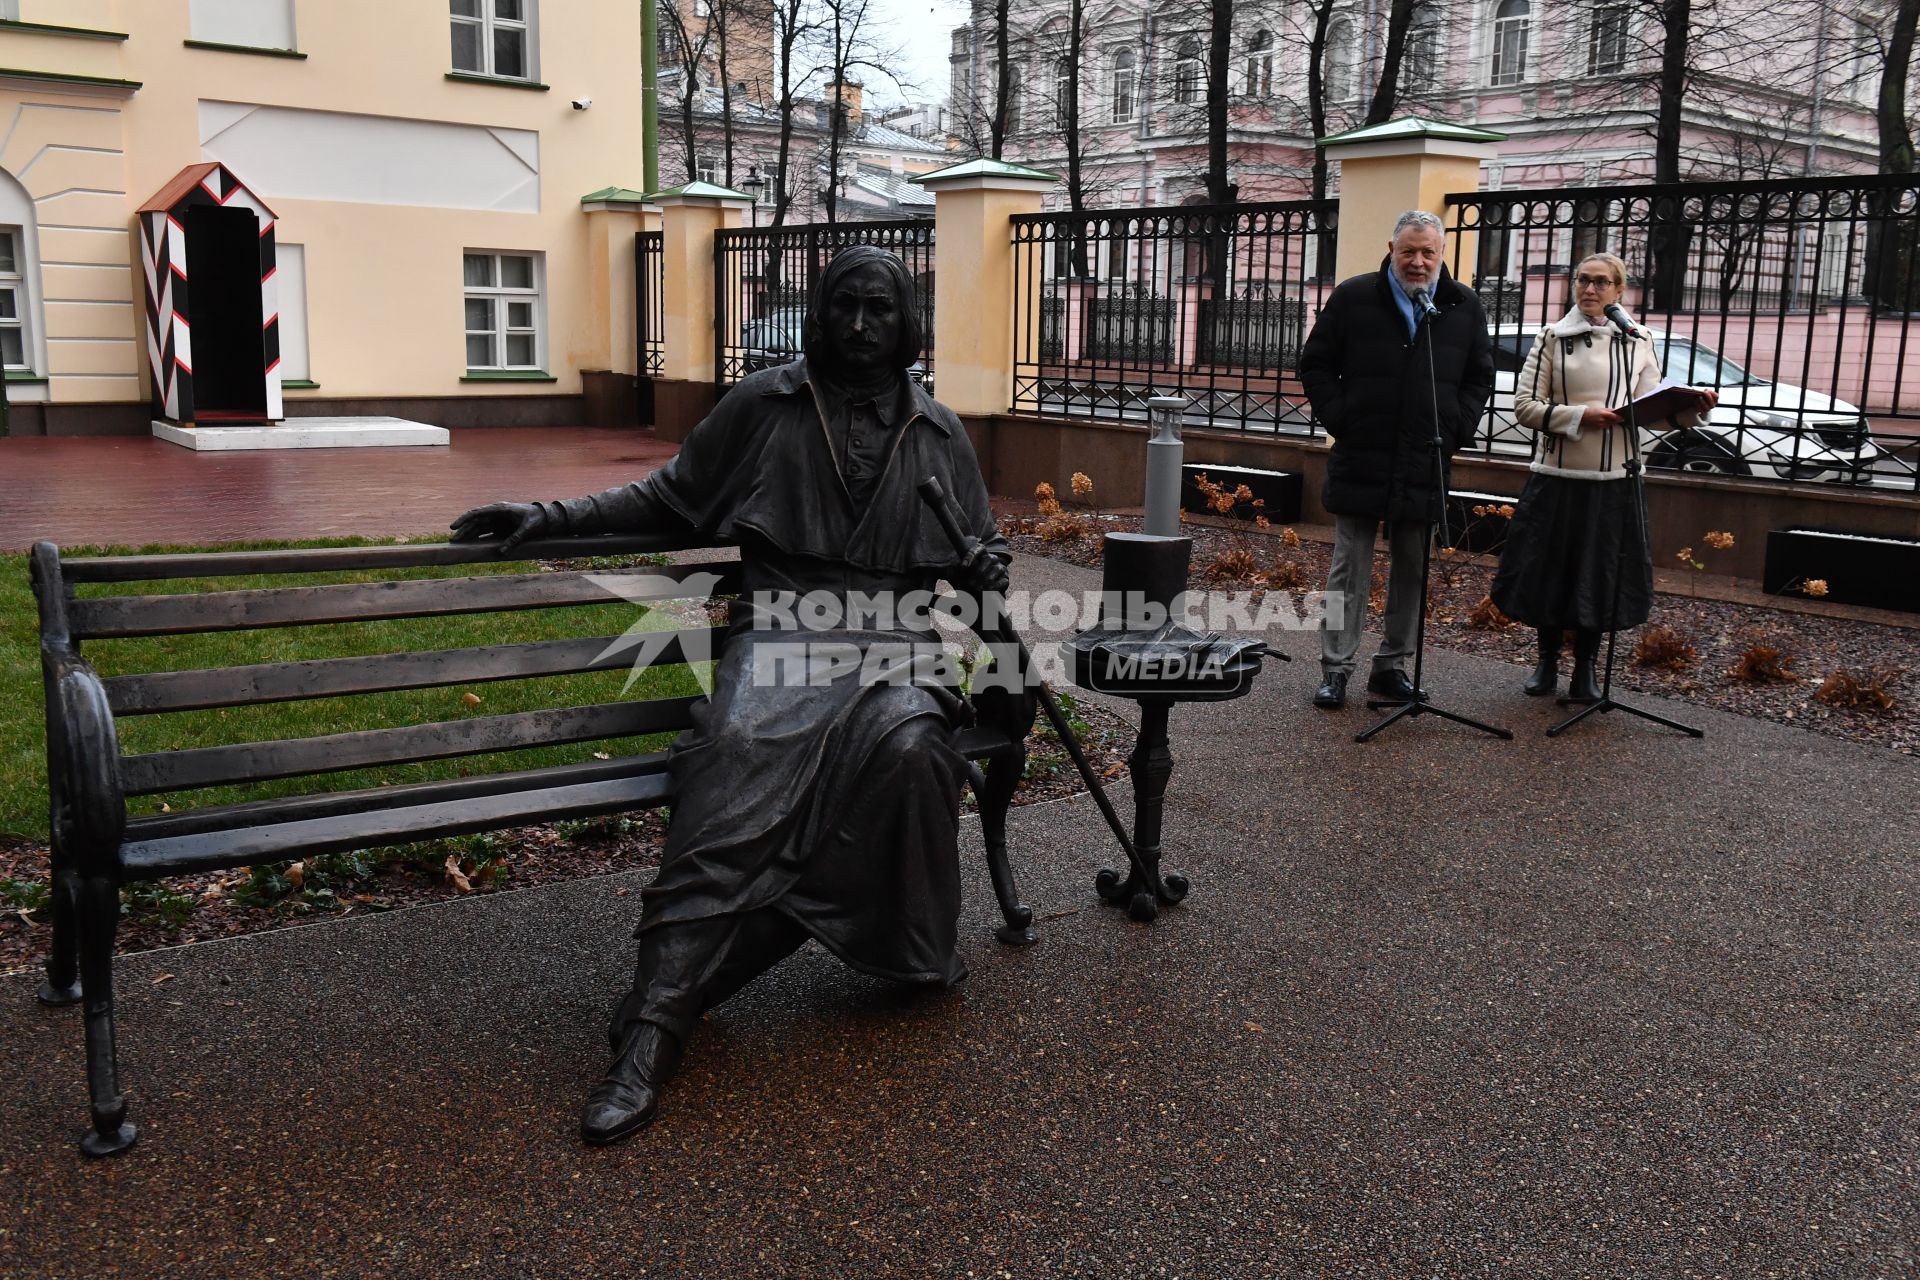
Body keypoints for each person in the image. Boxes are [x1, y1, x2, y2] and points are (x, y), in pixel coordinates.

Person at [451, 246, 1012, 1145]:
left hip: (899, 647)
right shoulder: (763, 404)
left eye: (880, 311)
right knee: (736, 754)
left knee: (913, 755)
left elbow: (979, 578)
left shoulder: (942, 434)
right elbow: (669, 498)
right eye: (844, 309)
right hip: (785, 627)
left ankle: (692, 992)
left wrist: (987, 580)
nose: (861, 327)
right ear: (816, 317)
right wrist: (550, 517)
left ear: (909, 327)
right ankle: (651, 1033)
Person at [1489, 253, 1715, 701]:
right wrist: (1578, 416)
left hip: (1615, 479)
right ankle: (1547, 660)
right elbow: (1524, 407)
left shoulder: (1638, 339)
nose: (1590, 290)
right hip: (1558, 476)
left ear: (1619, 291)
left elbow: (1653, 407)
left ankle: (1586, 669)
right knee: (1553, 570)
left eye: (1601, 283)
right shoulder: (1553, 338)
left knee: (1601, 573)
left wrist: (1691, 409)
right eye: (1583, 281)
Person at [1299, 210, 1495, 710]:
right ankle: (1336, 669)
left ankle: (1392, 667)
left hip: (1424, 455)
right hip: (1363, 450)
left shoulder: (1461, 305)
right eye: (1408, 250)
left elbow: (1479, 376)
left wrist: (1455, 427)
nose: (1418, 261)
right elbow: (1316, 363)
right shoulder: (1355, 295)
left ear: (1442, 254)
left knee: (1413, 565)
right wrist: (1343, 419)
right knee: (1350, 566)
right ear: (1391, 249)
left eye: (1428, 252)